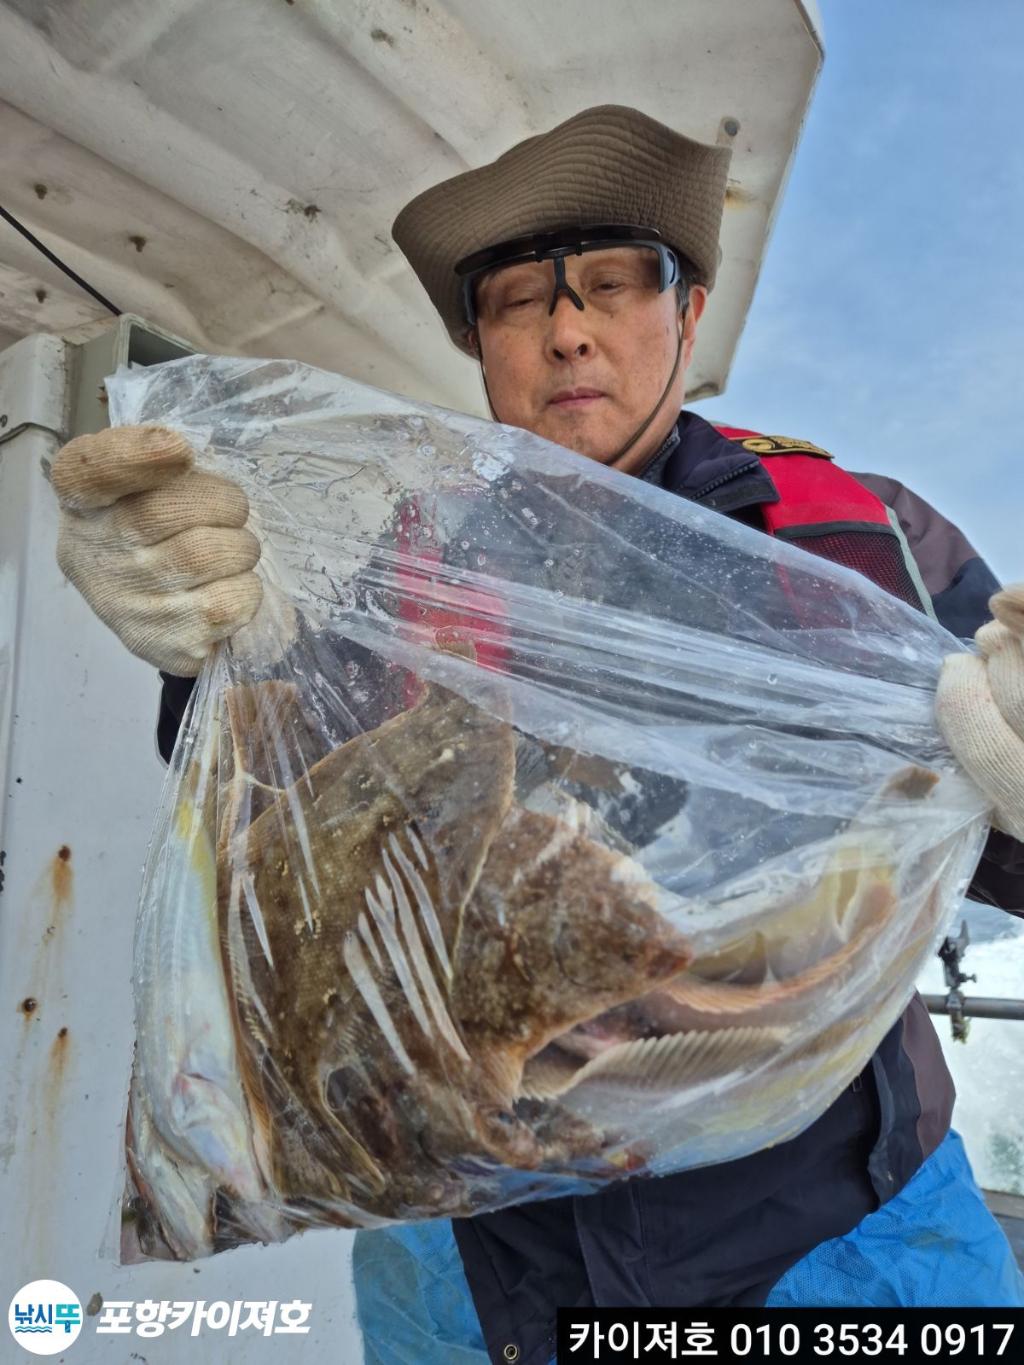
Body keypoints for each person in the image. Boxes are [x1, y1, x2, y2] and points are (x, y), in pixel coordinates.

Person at [51, 106, 1024, 1362]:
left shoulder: (841, 539)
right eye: (517, 299)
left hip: (830, 1245)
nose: (567, 330)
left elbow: (987, 854)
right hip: (474, 1265)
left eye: (613, 284)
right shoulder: (407, 580)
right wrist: (201, 651)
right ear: (479, 346)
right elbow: (278, 816)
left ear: (687, 314)